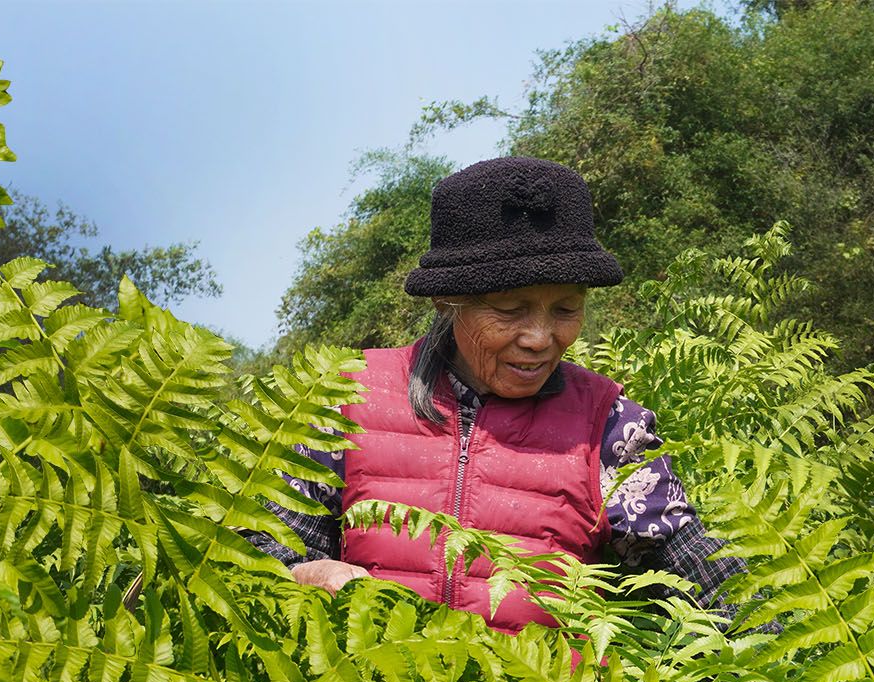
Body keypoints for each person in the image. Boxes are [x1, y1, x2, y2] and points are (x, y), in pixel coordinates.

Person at [246, 155, 745, 632]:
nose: (539, 337)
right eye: (511, 310)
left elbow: (701, 575)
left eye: (566, 310)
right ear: (447, 301)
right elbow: (261, 556)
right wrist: (306, 575)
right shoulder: (347, 401)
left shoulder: (610, 427)